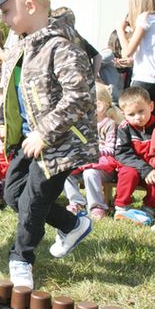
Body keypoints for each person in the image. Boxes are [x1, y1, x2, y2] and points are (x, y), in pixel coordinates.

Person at [0, 0, 98, 289]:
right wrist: (4, 123)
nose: (2, 18)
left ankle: (21, 258)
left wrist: (45, 132)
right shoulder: (20, 44)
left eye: (6, 10)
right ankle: (72, 225)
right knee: (12, 194)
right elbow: (10, 88)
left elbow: (79, 97)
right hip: (29, 139)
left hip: (58, 143)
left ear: (30, 6)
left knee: (33, 199)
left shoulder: (60, 46)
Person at [63, 83, 123, 220]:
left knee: (90, 174)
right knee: (65, 173)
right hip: (83, 162)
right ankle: (76, 203)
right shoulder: (82, 124)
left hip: (103, 167)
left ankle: (97, 206)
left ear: (106, 104)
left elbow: (110, 149)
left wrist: (91, 151)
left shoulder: (110, 124)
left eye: (97, 103)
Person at [113, 87, 155, 225]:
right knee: (128, 173)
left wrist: (150, 168)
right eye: (131, 114)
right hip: (133, 166)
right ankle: (121, 207)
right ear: (123, 114)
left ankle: (149, 207)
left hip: (152, 167)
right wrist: (144, 168)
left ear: (151, 106)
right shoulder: (124, 127)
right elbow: (122, 153)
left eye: (141, 111)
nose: (137, 117)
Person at [117, 0, 155, 117]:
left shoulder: (145, 18)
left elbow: (127, 51)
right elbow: (154, 53)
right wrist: (133, 62)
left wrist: (120, 30)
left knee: (135, 121)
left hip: (144, 80)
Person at [51, 7, 102, 79]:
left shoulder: (56, 40)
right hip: (84, 83)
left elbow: (98, 57)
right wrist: (93, 76)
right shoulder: (79, 38)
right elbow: (98, 57)